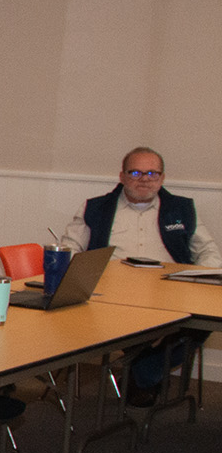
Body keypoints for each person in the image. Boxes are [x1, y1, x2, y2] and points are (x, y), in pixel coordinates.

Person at [61, 146, 218, 406]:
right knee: (127, 325)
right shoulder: (96, 208)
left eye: (152, 173)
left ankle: (143, 372)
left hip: (171, 294)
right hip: (111, 294)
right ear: (121, 176)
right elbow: (69, 249)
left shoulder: (182, 209)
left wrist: (199, 283)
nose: (144, 179)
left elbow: (209, 253)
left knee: (200, 325)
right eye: (135, 172)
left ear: (162, 178)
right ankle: (148, 372)